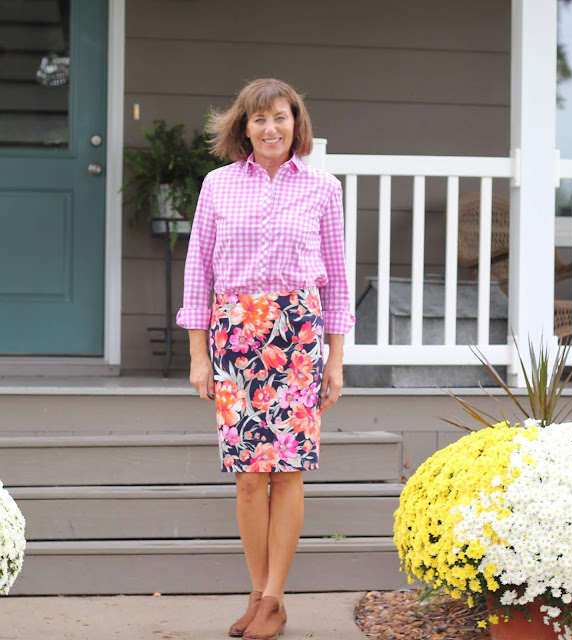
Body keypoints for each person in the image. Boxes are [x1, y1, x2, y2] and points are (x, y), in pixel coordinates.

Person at [176, 78, 355, 640]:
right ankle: (258, 595)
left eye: (281, 117)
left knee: (288, 471)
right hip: (234, 334)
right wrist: (198, 355)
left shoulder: (324, 188)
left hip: (297, 335)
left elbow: (339, 279)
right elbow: (197, 272)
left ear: (296, 124)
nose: (271, 129)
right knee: (249, 478)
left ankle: (274, 598)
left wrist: (336, 358)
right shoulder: (217, 186)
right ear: (243, 127)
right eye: (259, 120)